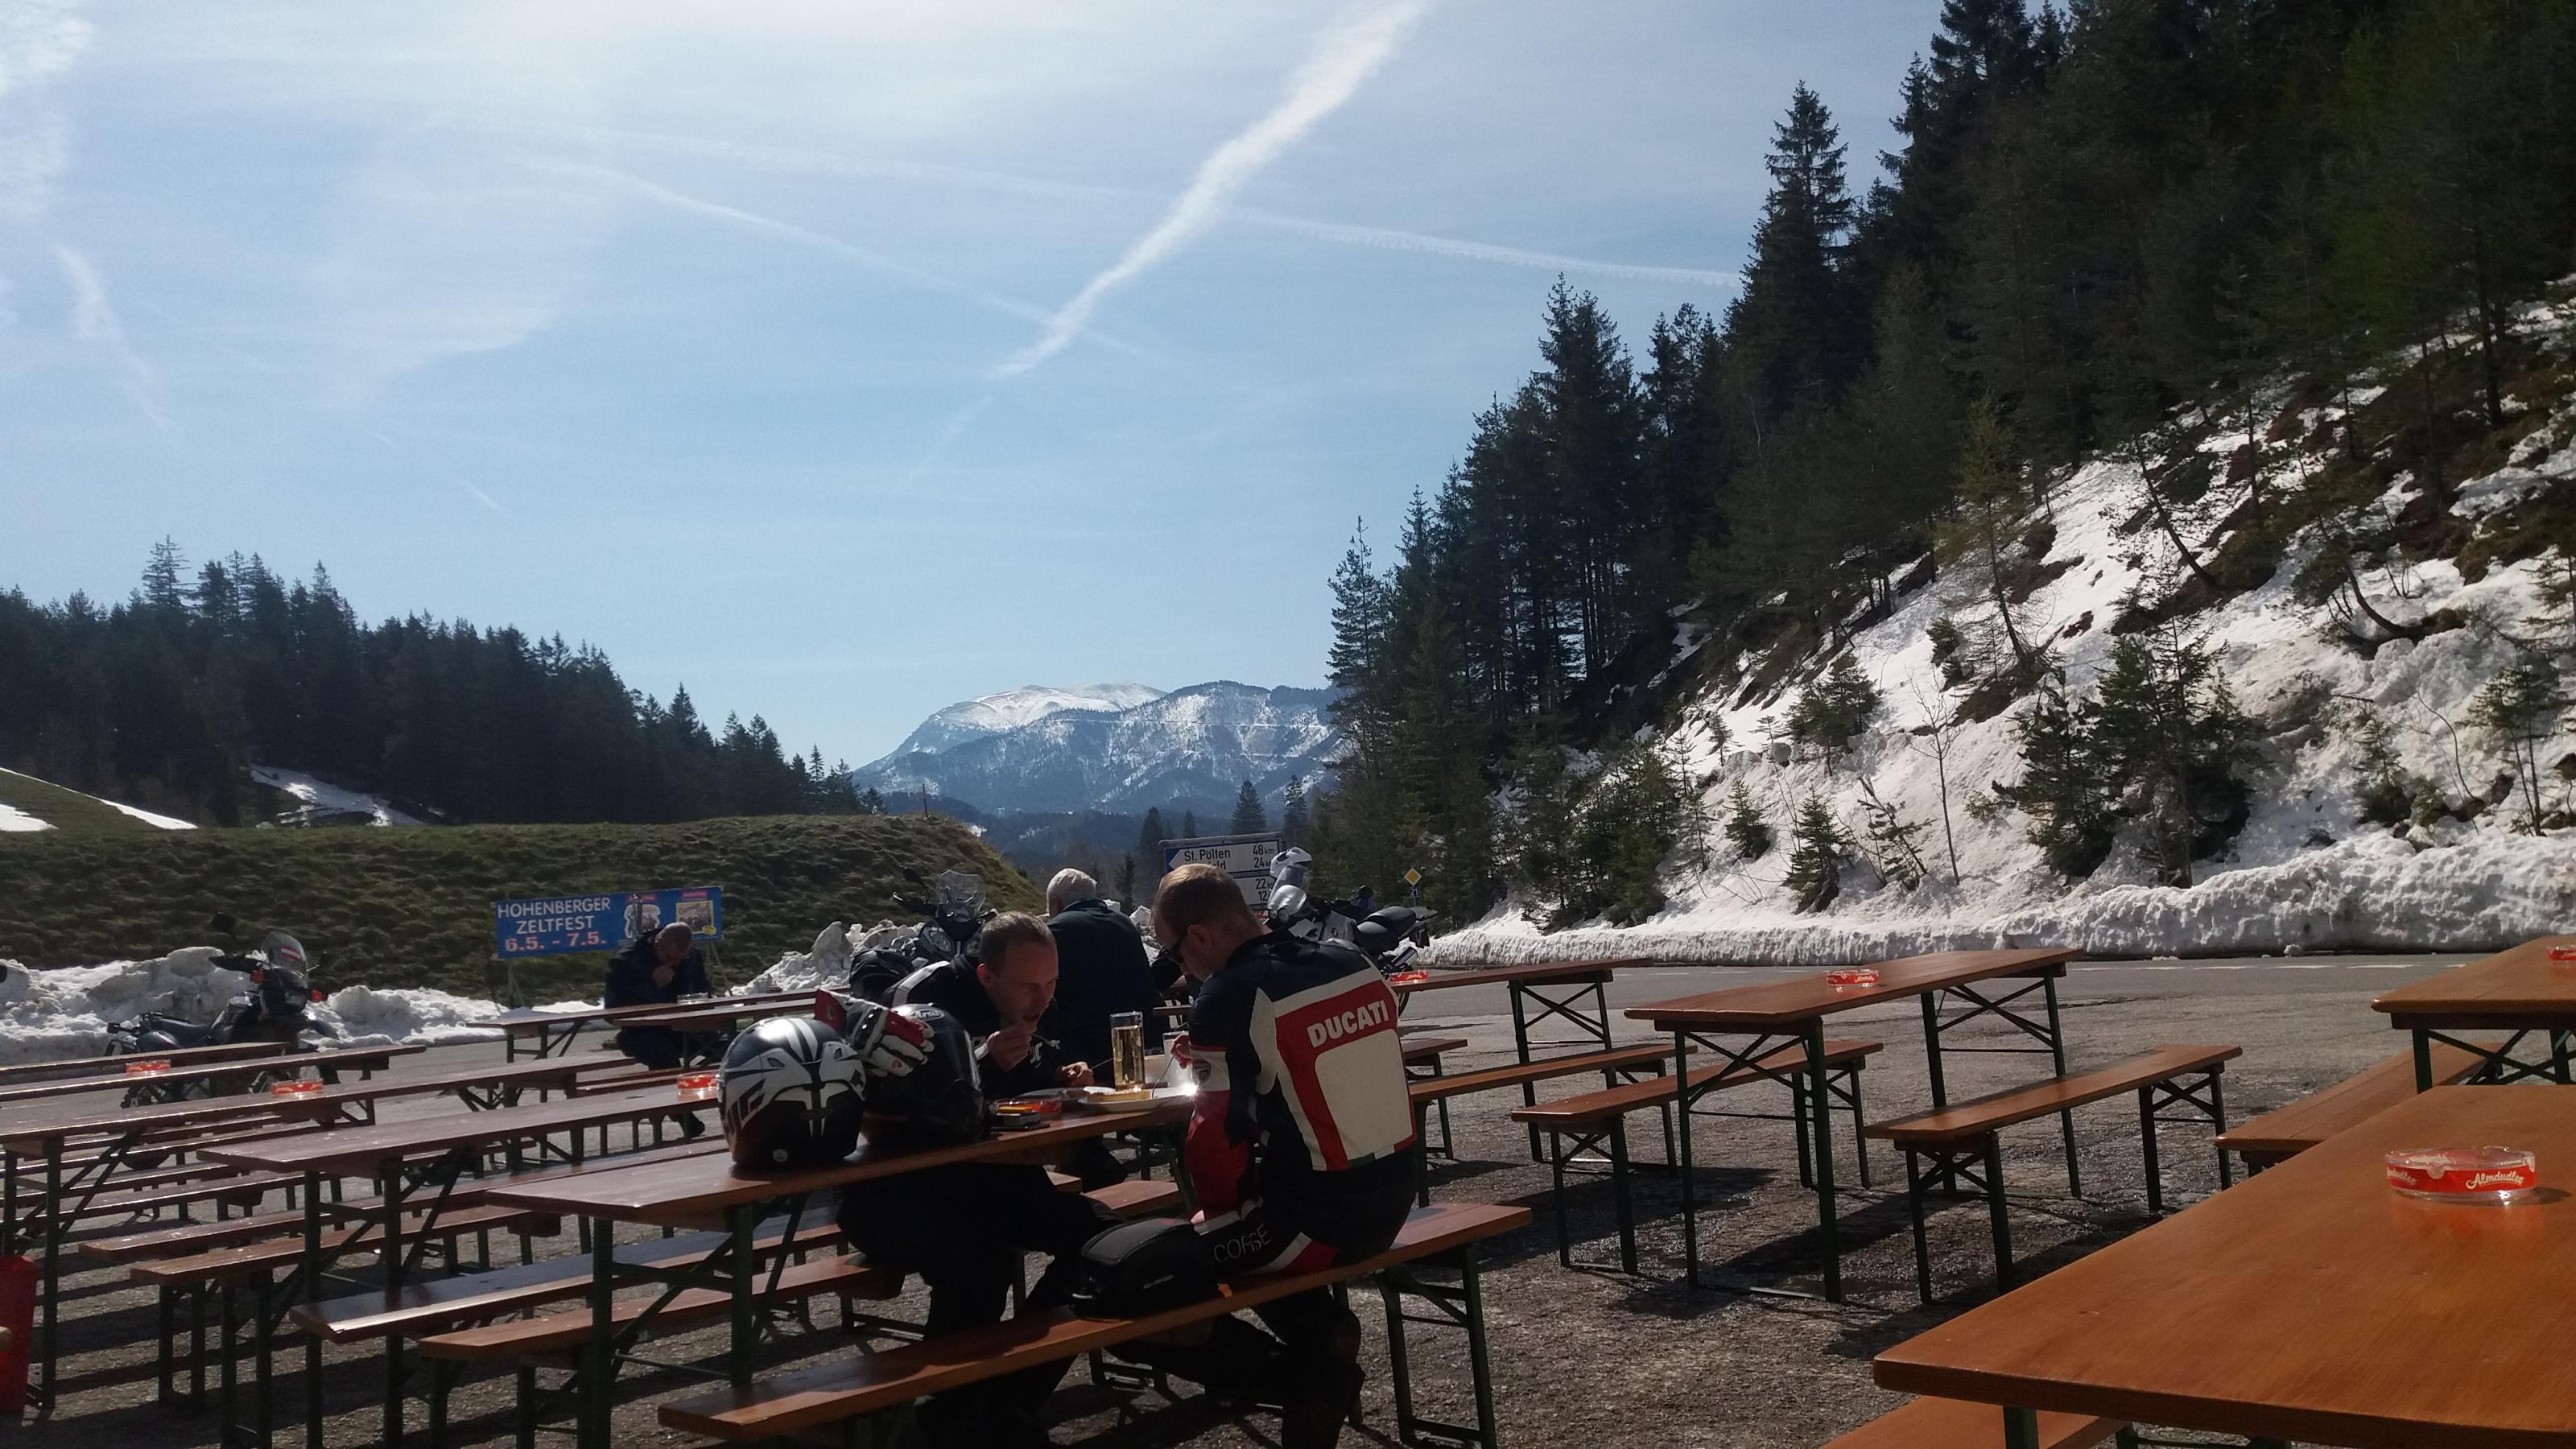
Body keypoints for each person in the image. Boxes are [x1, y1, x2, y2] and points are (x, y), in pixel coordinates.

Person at [1128, 863, 1420, 1449]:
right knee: (1236, 1233)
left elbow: (1211, 1144)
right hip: (1395, 1201)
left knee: (1136, 1283)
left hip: (1316, 1228)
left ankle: (1304, 1376)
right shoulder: (1350, 961)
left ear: (1200, 936)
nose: (1180, 970)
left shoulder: (1229, 994)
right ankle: (1318, 1335)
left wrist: (1218, 1217)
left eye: (1175, 953)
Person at [841, 914, 1116, 1448]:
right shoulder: (926, 994)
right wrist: (984, 1058)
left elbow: (1030, 1072)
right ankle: (955, 1412)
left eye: (1052, 983)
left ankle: (1005, 1402)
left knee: (1102, 1240)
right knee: (979, 1259)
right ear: (987, 976)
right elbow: (893, 1096)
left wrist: (1060, 1076)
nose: (1043, 999)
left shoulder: (1032, 1004)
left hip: (991, 1176)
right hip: (901, 1187)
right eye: (1029, 986)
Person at [1042, 868, 1165, 1077]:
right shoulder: (1124, 923)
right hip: (1144, 1042)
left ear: (1055, 904)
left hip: (1085, 1056)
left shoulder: (1054, 932)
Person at [605, 923, 714, 1067]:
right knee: (664, 1058)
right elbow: (613, 1009)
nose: (676, 963)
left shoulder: (692, 956)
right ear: (658, 945)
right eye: (670, 957)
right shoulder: (626, 960)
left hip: (687, 1028)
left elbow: (703, 988)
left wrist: (699, 1002)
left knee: (731, 1046)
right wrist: (653, 984)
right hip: (644, 1031)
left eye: (682, 959)